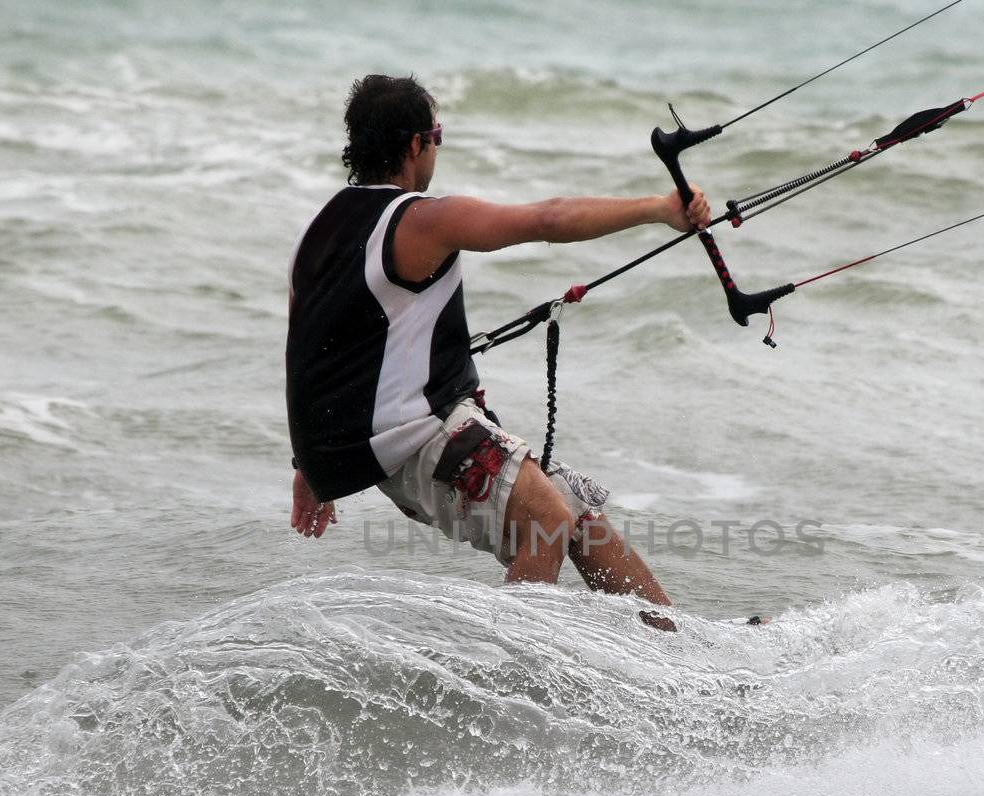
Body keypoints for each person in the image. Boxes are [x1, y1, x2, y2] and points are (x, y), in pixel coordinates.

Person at [286, 74, 708, 627]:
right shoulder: (423, 218)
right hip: (419, 435)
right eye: (437, 134)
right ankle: (501, 679)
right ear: (416, 144)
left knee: (572, 509)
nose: (437, 145)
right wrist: (659, 208)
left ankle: (676, 645)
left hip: (393, 444)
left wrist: (308, 465)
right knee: (546, 519)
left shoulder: (320, 230)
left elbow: (309, 350)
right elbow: (548, 219)